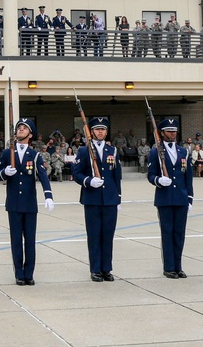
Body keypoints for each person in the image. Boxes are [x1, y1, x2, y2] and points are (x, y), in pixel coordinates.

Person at [0, 119, 54, 286]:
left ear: (30, 135)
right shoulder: (8, 153)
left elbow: (43, 176)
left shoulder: (34, 155)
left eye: (24, 128)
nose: (20, 130)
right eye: (19, 128)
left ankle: (29, 273)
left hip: (29, 204)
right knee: (16, 240)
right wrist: (5, 172)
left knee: (30, 240)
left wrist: (48, 196)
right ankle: (19, 273)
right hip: (13, 204)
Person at [72, 117, 122, 282]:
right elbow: (77, 173)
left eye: (103, 129)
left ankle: (106, 269)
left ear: (106, 132)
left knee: (108, 236)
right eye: (97, 129)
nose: (100, 132)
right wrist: (88, 181)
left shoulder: (112, 151)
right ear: (91, 132)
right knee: (94, 236)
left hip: (110, 200)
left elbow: (117, 176)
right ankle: (95, 270)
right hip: (92, 199)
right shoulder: (84, 151)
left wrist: (118, 198)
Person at [147, 118, 193, 279]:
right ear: (162, 133)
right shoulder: (155, 152)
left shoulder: (184, 152)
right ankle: (169, 267)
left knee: (179, 233)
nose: (172, 134)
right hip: (165, 198)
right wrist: (158, 180)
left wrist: (190, 198)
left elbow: (188, 177)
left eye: (174, 131)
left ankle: (178, 266)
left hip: (180, 198)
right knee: (167, 233)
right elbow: (150, 174)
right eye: (169, 131)